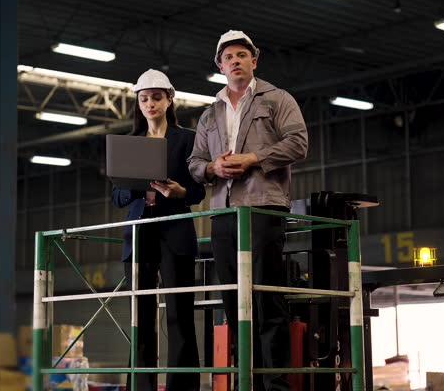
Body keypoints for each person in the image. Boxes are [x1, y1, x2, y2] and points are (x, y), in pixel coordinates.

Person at [188, 30, 308, 391]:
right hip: (223, 214)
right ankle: (246, 381)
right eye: (229, 57)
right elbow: (195, 161)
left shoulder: (277, 99)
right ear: (220, 66)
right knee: (232, 299)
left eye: (243, 55)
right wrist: (213, 169)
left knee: (266, 296)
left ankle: (275, 385)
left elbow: (298, 143)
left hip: (263, 207)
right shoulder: (210, 113)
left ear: (254, 61)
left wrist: (254, 158)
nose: (236, 61)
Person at [111, 69, 204, 391]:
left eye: (156, 98)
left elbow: (199, 191)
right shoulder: (130, 144)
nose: (149, 103)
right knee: (141, 316)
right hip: (139, 234)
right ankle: (141, 386)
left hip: (175, 230)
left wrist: (179, 192)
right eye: (144, 99)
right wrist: (136, 187)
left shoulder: (188, 139)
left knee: (180, 314)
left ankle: (184, 387)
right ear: (139, 103)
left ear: (169, 100)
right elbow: (117, 197)